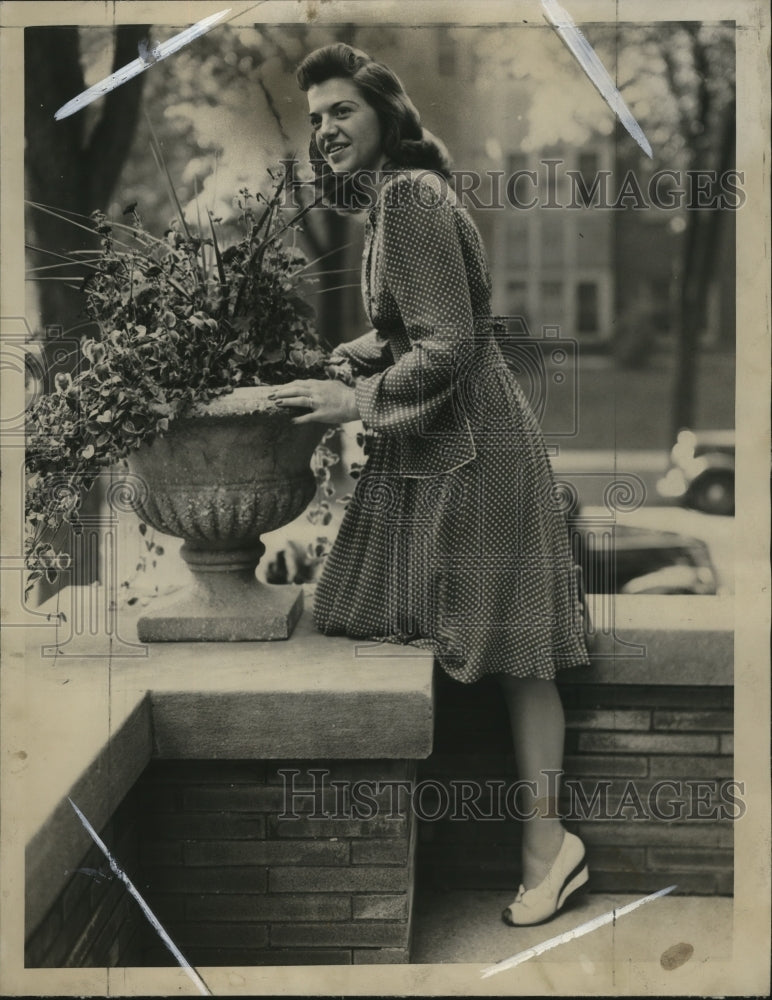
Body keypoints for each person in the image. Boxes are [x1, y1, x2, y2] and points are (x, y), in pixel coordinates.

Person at [269, 42, 591, 927]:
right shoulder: (398, 202)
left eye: (342, 111)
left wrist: (351, 397)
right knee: (471, 639)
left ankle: (545, 850)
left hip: (475, 450)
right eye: (317, 117)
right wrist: (374, 343)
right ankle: (533, 844)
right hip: (460, 439)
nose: (326, 129)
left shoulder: (405, 197)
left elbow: (450, 344)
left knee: (510, 651)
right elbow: (442, 319)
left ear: (385, 114)